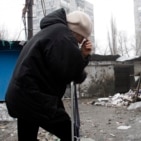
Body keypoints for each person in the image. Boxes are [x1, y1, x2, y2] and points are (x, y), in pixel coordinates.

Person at [5, 8, 92, 141]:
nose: (80, 43)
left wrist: (79, 56)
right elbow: (72, 73)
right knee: (70, 133)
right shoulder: (63, 36)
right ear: (77, 32)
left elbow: (59, 66)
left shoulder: (50, 32)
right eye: (82, 38)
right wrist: (83, 56)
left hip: (20, 96)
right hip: (34, 98)